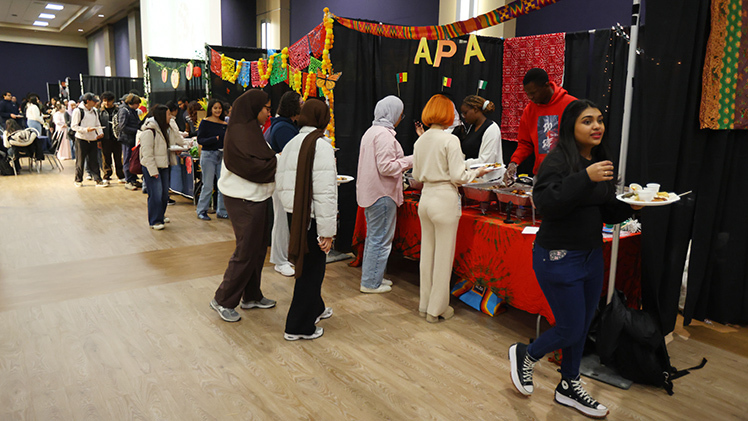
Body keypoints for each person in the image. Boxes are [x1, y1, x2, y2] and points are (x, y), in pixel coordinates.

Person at [508, 99, 641, 418]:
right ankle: (526, 353)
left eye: (599, 120)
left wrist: (633, 208)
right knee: (569, 327)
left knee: (580, 327)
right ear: (570, 126)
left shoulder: (599, 160)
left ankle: (569, 385)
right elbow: (545, 202)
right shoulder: (558, 160)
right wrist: (586, 177)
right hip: (558, 255)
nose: (596, 126)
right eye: (587, 121)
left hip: (592, 256)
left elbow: (605, 210)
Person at [413, 95, 493, 323]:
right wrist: (476, 172)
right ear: (447, 114)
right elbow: (459, 176)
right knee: (443, 257)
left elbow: (417, 175)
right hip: (444, 199)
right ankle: (436, 309)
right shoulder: (450, 141)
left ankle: (424, 305)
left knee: (427, 255)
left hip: (426, 197)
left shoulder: (421, 140)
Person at [209, 89, 277, 323]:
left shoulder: (250, 130)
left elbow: (263, 161)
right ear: (254, 109)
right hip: (243, 199)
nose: (269, 112)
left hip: (257, 197)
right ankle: (223, 299)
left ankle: (252, 295)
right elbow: (253, 167)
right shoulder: (239, 132)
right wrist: (276, 162)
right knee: (246, 250)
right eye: (266, 108)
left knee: (258, 250)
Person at [276, 98, 337, 340]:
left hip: (296, 214)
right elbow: (325, 193)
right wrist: (327, 231)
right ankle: (298, 326)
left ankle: (316, 308)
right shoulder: (321, 146)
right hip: (311, 217)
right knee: (311, 271)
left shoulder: (292, 142)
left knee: (308, 266)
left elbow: (281, 181)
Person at [357, 95, 413, 294]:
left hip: (373, 193)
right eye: (400, 114)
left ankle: (373, 277)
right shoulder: (384, 135)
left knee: (375, 237)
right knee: (380, 239)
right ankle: (371, 283)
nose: (401, 117)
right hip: (382, 193)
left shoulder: (371, 132)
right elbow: (386, 167)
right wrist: (411, 160)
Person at [503, 68, 577, 184]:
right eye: (527, 94)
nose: (530, 97)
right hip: (541, 175)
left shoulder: (571, 105)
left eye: (533, 93)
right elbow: (525, 143)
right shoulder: (529, 110)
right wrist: (514, 162)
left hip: (568, 174)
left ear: (546, 85)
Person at [138, 104, 190, 230]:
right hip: (152, 167)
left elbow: (173, 142)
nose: (171, 117)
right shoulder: (149, 131)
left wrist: (180, 148)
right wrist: (153, 171)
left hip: (165, 165)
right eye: (168, 114)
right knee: (155, 193)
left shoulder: (166, 129)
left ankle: (160, 215)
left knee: (163, 194)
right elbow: (147, 154)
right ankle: (154, 220)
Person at [267, 91, 301, 277]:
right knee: (281, 220)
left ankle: (284, 257)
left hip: (285, 178)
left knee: (284, 220)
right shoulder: (283, 128)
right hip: (282, 179)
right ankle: (280, 260)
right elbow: (292, 155)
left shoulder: (285, 126)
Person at [195, 99, 228, 220]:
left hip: (222, 155)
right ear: (210, 109)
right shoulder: (205, 122)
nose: (218, 110)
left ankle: (222, 210)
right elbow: (200, 140)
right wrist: (214, 139)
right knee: (208, 185)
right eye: (215, 108)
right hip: (208, 155)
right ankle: (201, 210)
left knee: (222, 184)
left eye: (219, 108)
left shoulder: (224, 124)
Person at [458, 95, 503, 169]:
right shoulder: (472, 127)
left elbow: (486, 161)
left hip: (488, 178)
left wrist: (460, 164)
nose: (464, 116)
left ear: (475, 109)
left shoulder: (492, 129)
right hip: (473, 176)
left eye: (465, 113)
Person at [71, 93, 107, 187]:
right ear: (88, 101)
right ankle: (78, 180)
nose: (95, 103)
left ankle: (98, 179)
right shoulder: (78, 111)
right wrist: (86, 130)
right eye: (93, 101)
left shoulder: (94, 111)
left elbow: (97, 124)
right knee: (80, 161)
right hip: (81, 139)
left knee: (94, 160)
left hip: (93, 139)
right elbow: (74, 126)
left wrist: (100, 133)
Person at [118, 94, 143, 190]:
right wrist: (136, 131)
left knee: (133, 159)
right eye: (137, 104)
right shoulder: (124, 111)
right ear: (131, 103)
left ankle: (133, 179)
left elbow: (136, 123)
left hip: (134, 139)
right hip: (126, 139)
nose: (138, 106)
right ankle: (128, 180)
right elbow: (122, 127)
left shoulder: (133, 111)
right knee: (127, 159)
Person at [98, 91, 124, 183]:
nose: (107, 103)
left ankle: (120, 175)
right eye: (104, 101)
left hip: (117, 138)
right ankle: (106, 175)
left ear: (113, 100)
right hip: (105, 138)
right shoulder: (99, 112)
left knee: (118, 157)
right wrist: (99, 139)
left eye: (109, 101)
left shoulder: (118, 111)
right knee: (106, 158)